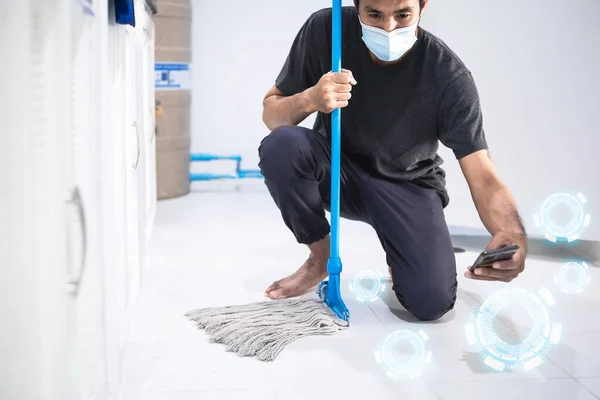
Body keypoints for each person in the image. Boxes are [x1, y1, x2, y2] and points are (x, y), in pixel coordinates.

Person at [257, 0, 528, 321]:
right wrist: (311, 98)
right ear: (355, 7)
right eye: (374, 14)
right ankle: (319, 258)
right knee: (281, 146)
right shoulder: (326, 30)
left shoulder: (448, 75)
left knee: (431, 304)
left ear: (423, 6)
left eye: (402, 15)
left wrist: (512, 233)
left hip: (408, 186)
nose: (388, 28)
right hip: (338, 173)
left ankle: (401, 250)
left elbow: (483, 175)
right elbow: (272, 115)